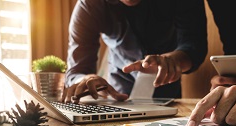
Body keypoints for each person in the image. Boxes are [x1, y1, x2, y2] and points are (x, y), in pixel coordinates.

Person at [62, 0, 207, 103]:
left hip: (169, 96)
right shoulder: (89, 5)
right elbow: (77, 70)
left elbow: (195, 45)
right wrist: (85, 80)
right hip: (118, 94)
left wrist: (174, 61)